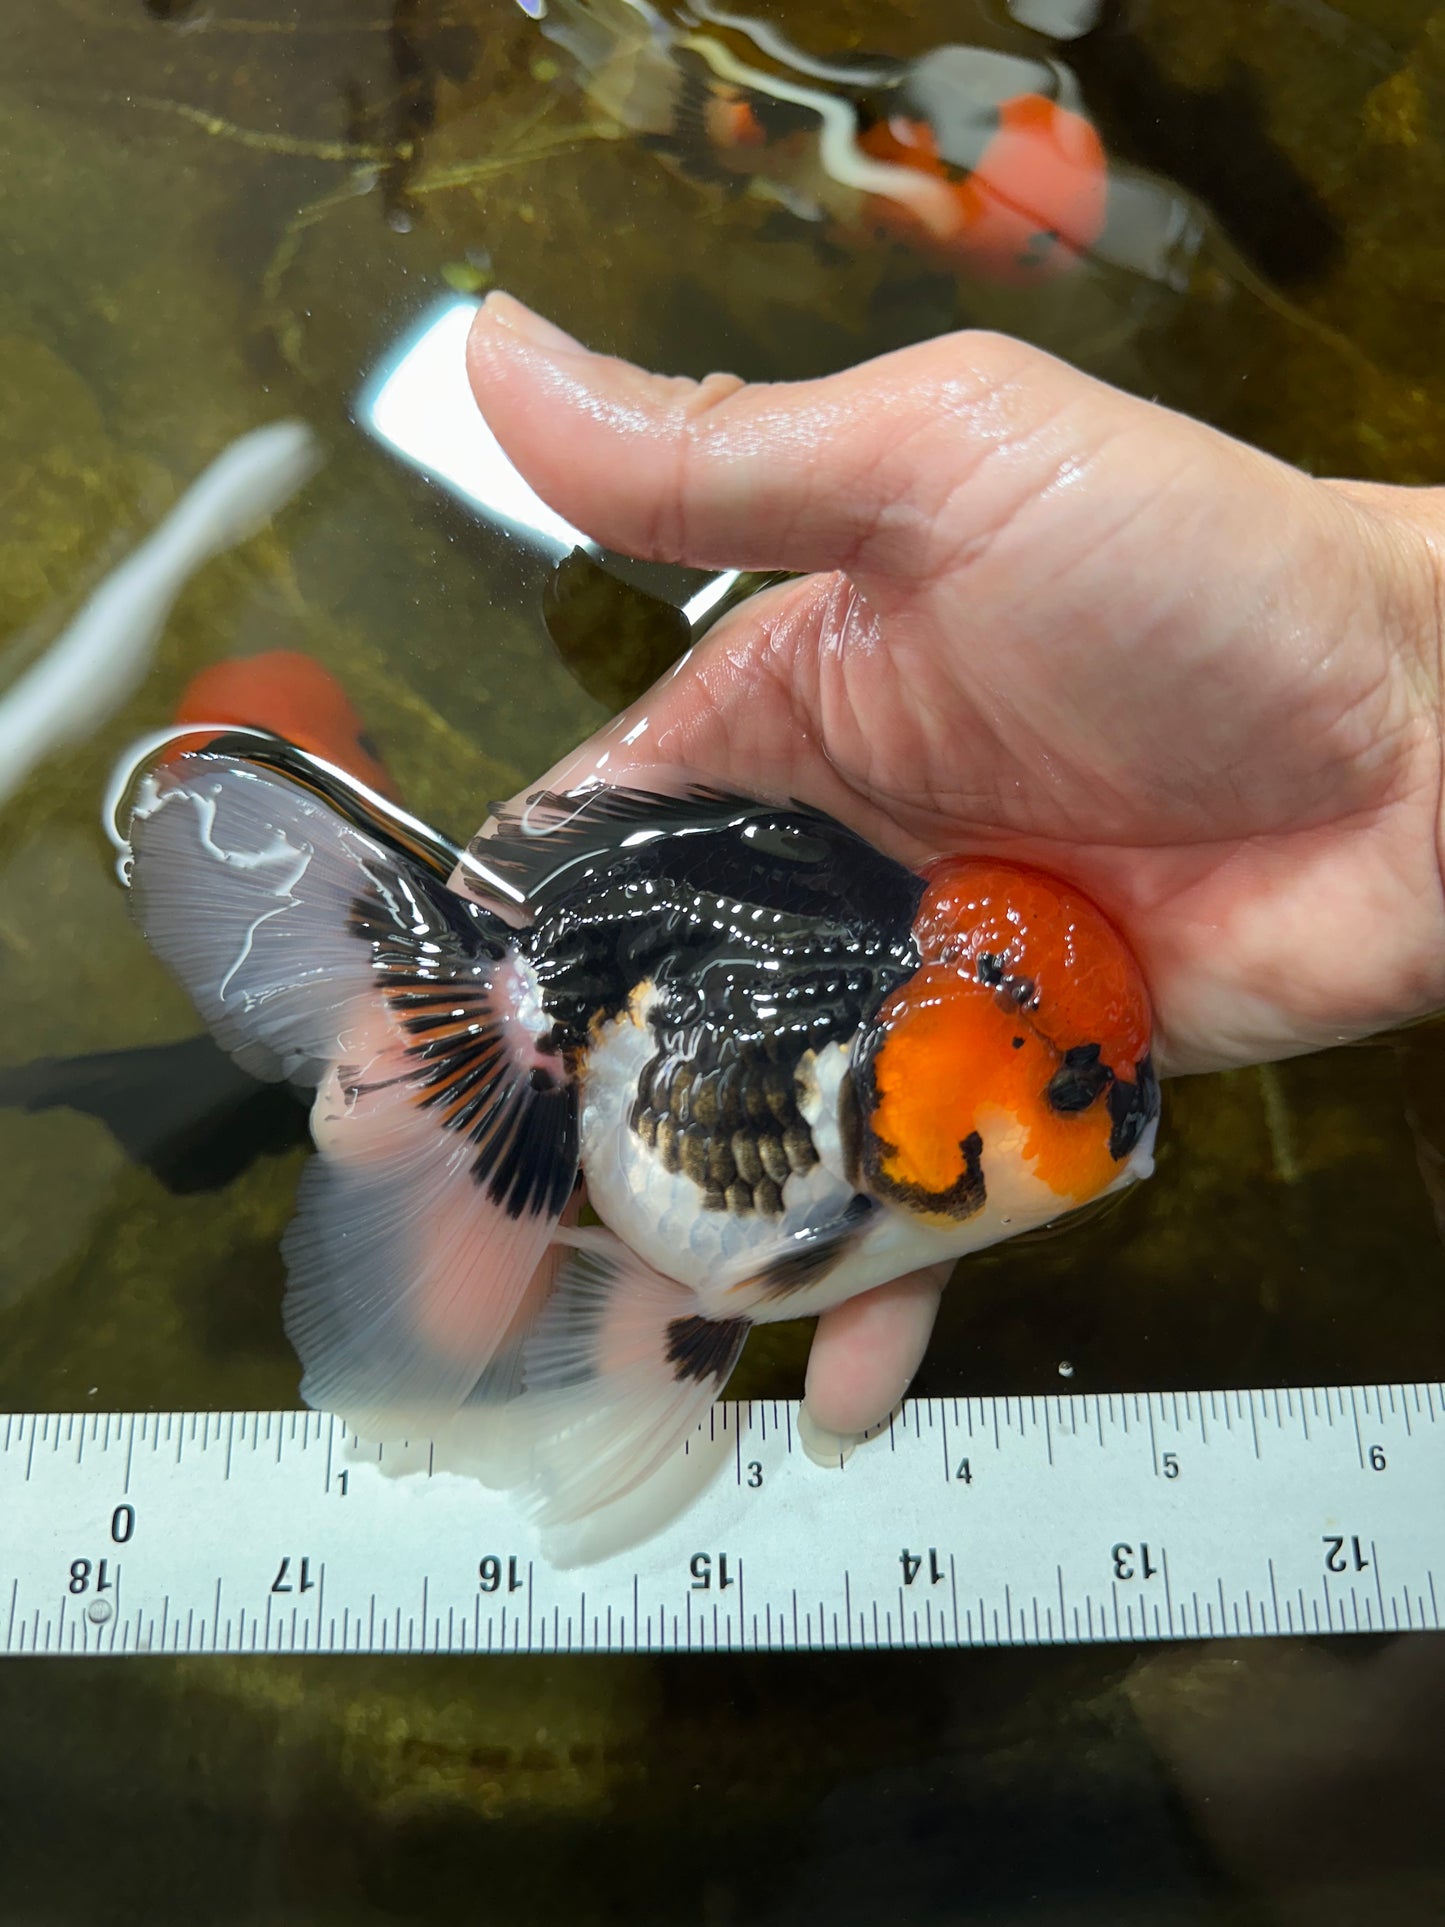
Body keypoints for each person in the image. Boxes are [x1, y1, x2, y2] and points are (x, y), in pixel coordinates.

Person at [463, 291, 1445, 1453]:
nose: (1127, 1129)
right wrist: (1403, 656)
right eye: (1077, 1092)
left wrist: (1406, 662)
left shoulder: (925, 1043)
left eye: (1081, 1088)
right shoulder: (860, 1037)